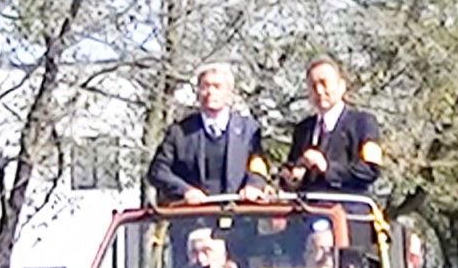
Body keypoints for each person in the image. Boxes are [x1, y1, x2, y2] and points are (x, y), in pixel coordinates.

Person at [148, 63, 270, 204]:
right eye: (205, 87)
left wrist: (254, 185)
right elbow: (158, 171)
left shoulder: (249, 130)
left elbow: (258, 164)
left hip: (240, 218)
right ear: (197, 92)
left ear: (229, 93)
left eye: (217, 87)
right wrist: (185, 190)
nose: (210, 92)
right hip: (192, 219)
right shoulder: (179, 132)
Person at [280, 56, 382, 195]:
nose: (319, 91)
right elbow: (292, 168)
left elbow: (370, 170)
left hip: (346, 210)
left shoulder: (363, 123)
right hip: (306, 208)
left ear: (342, 86)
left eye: (324, 83)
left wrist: (327, 167)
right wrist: (290, 177)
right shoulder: (303, 129)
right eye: (313, 85)